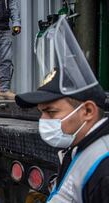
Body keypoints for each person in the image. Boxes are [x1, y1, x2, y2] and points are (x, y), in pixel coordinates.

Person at [15, 69, 109, 202]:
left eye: (51, 112)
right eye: (41, 112)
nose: (43, 120)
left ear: (88, 111)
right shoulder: (76, 150)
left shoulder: (104, 169)